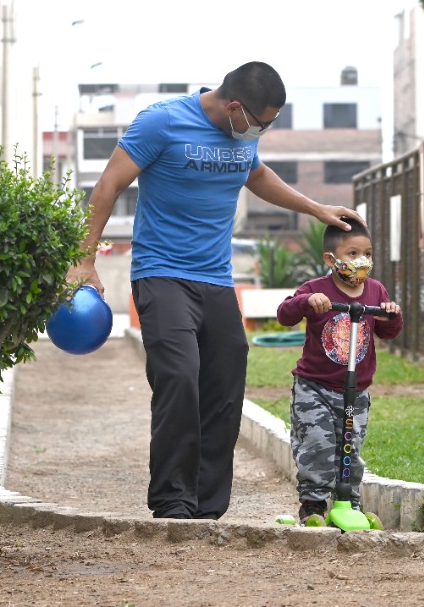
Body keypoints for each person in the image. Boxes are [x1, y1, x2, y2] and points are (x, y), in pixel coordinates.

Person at [66, 61, 361, 521]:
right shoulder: (162, 121)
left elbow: (257, 175)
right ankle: (172, 500)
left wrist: (314, 207)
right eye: (260, 123)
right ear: (234, 106)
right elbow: (109, 184)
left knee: (225, 382)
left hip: (216, 278)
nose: (261, 132)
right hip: (162, 274)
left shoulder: (244, 137)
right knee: (180, 377)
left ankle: (206, 506)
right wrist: (85, 258)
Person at [275, 218, 403, 525]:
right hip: (314, 388)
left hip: (356, 390)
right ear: (331, 260)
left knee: (351, 446)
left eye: (368, 254)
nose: (362, 261)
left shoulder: (375, 291)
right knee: (317, 445)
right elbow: (284, 314)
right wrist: (307, 302)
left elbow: (388, 332)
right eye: (353, 253)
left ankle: (349, 502)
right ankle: (314, 505)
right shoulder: (317, 289)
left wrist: (391, 314)